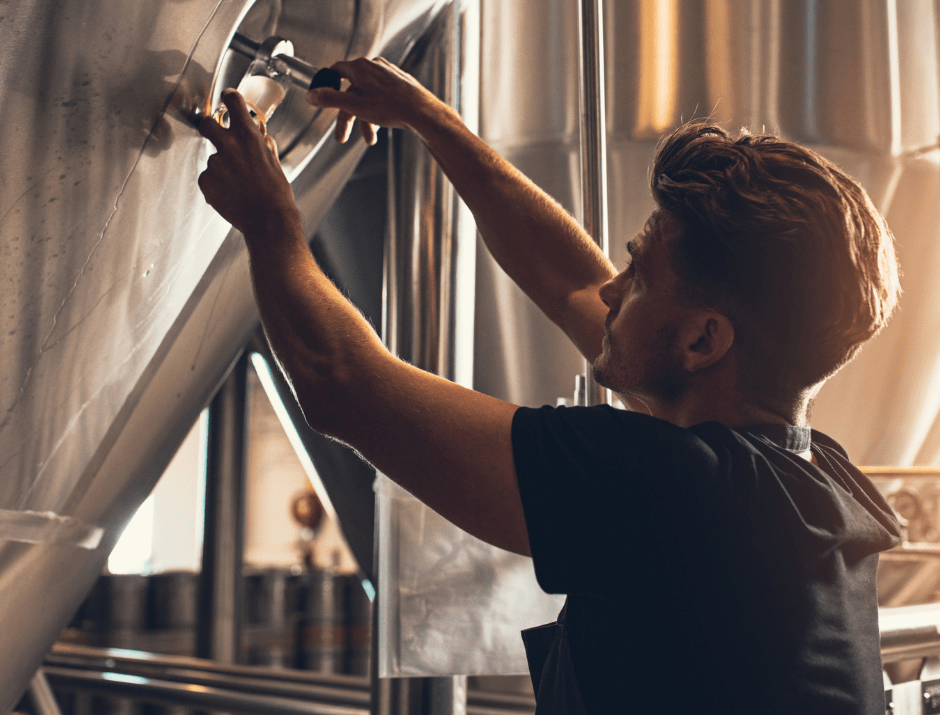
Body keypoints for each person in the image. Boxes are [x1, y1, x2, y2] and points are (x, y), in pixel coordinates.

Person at [198, 57, 902, 714]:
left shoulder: (676, 491)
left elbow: (343, 386)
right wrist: (431, 120)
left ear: (702, 341)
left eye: (639, 275)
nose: (613, 289)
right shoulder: (804, 475)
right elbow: (571, 282)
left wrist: (269, 220)